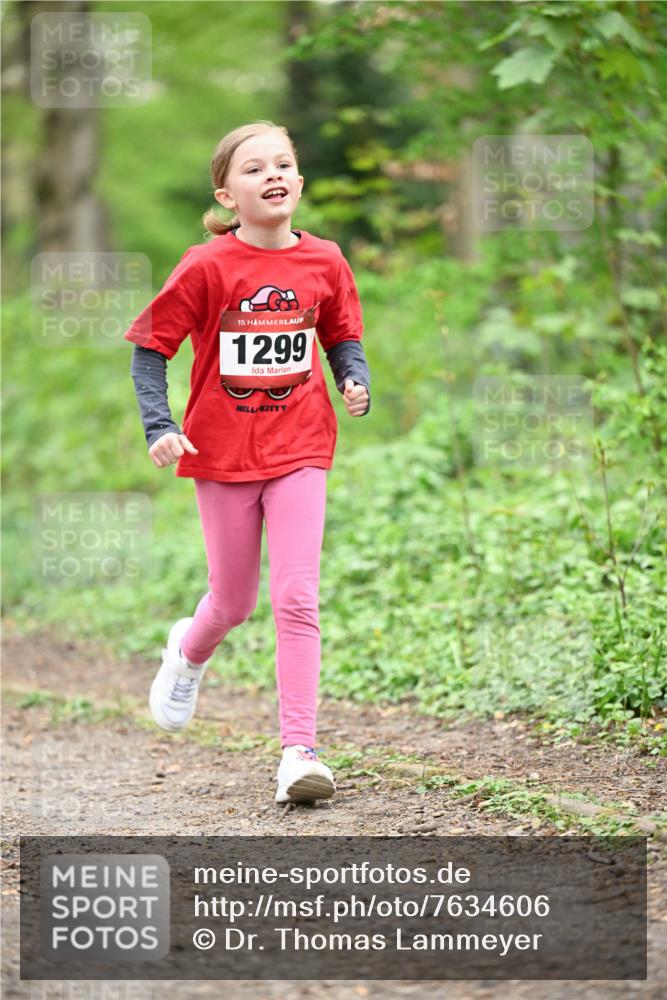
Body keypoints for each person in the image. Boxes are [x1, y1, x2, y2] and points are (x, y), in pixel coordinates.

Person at [124, 119, 371, 805]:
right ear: (227, 196)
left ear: (299, 181)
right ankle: (188, 652)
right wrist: (159, 425)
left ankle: (299, 753)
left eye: (283, 164)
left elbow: (341, 335)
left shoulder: (325, 259)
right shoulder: (207, 266)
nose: (273, 176)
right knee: (233, 601)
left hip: (301, 447)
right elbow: (151, 348)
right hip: (223, 452)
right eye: (254, 168)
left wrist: (353, 378)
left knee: (296, 598)